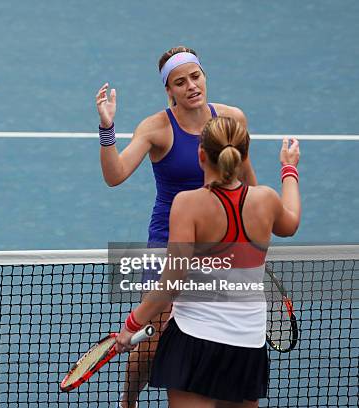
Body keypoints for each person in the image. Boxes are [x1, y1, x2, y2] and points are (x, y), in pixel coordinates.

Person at [96, 46, 257, 407]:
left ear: (204, 76)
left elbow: (252, 189)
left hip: (220, 245)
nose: (191, 87)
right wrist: (107, 129)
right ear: (169, 90)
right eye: (179, 82)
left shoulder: (233, 119)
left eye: (195, 77)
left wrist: (251, 239)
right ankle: (128, 401)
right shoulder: (156, 129)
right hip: (168, 243)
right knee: (152, 341)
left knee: (218, 336)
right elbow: (115, 175)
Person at [116, 116, 301, 407]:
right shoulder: (266, 200)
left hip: (193, 340)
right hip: (247, 346)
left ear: (201, 155)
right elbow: (291, 223)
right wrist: (289, 169)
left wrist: (132, 324)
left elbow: (171, 284)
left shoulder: (187, 204)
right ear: (243, 157)